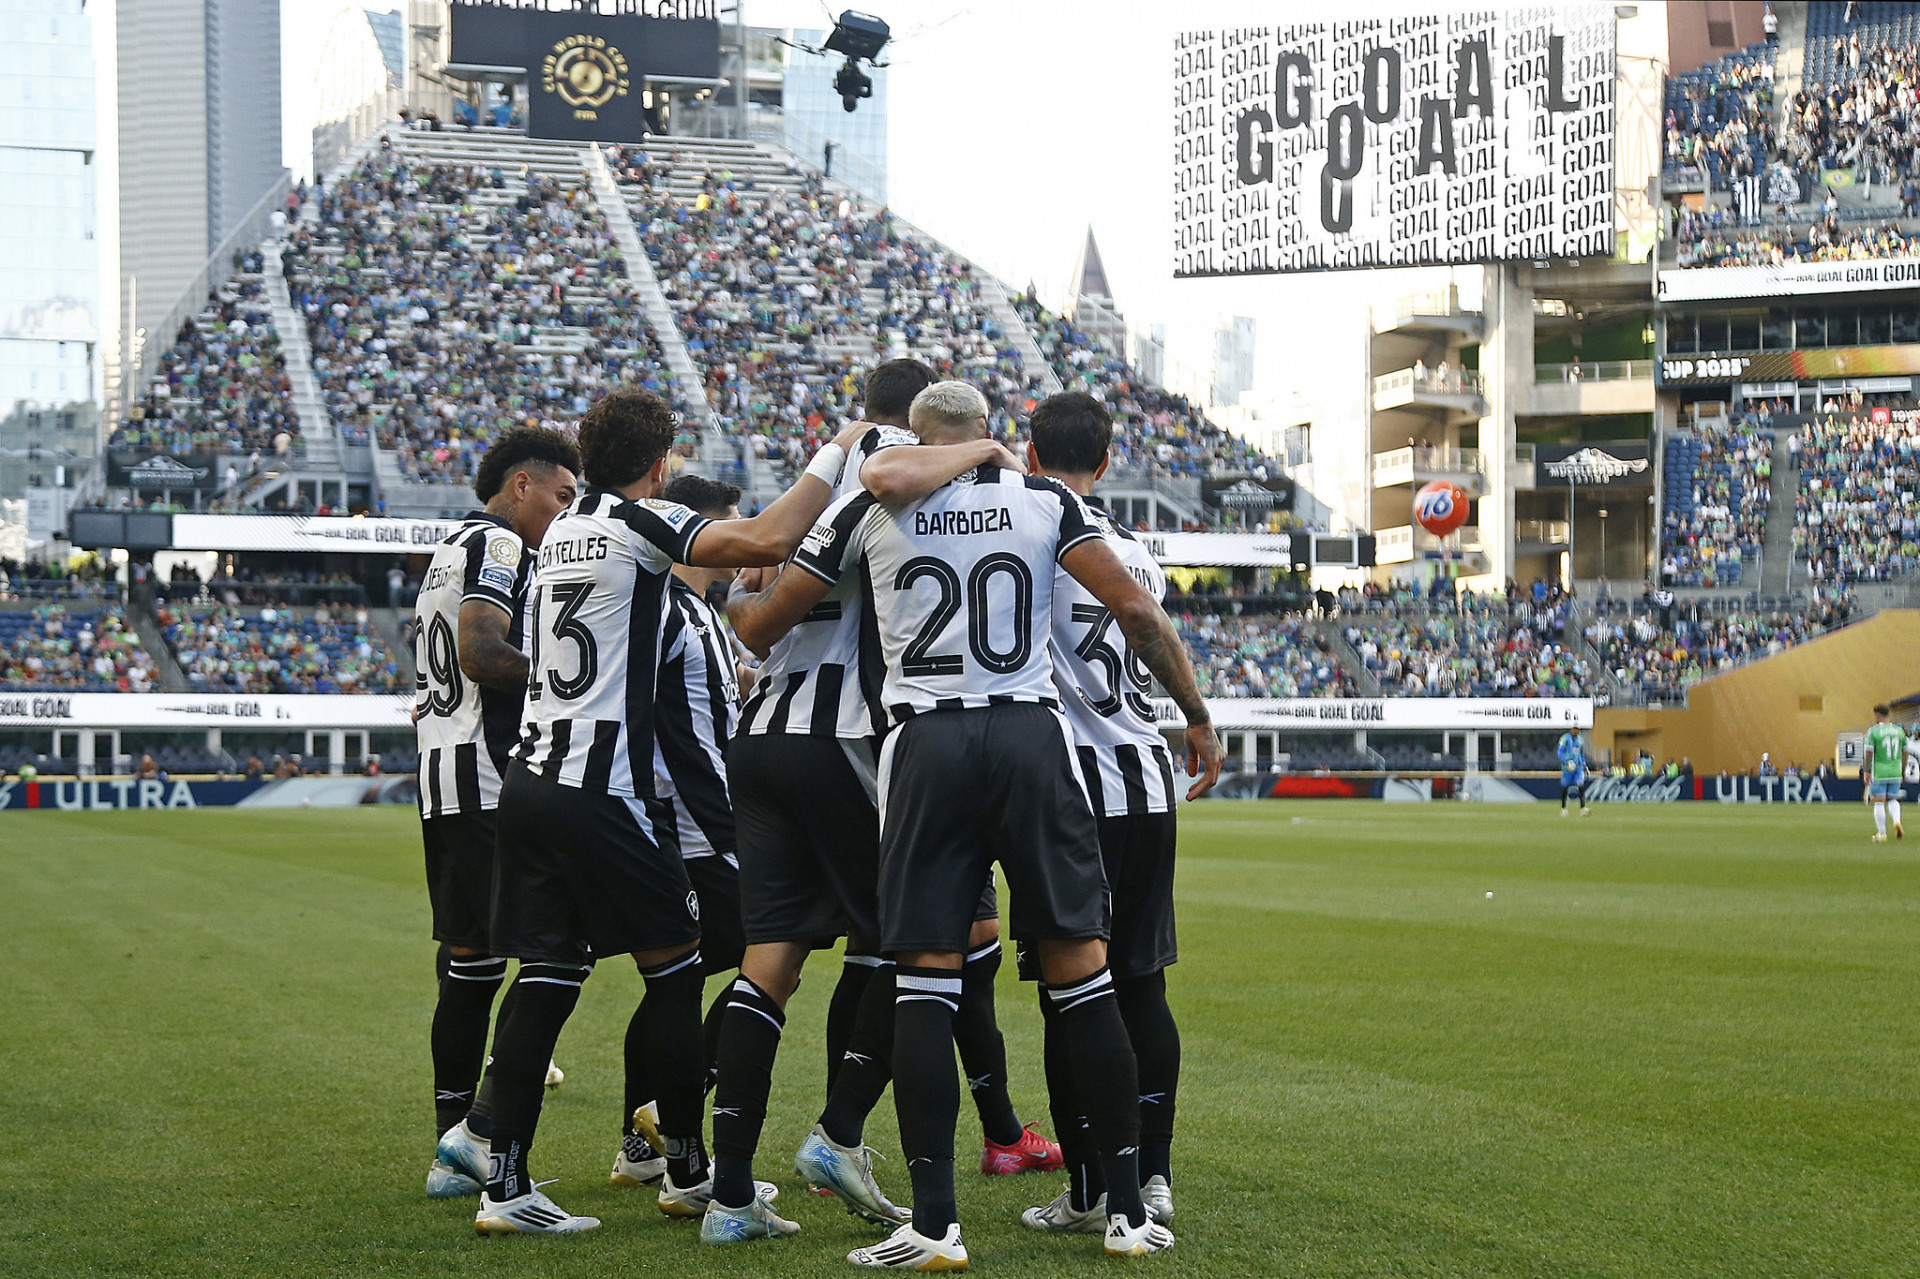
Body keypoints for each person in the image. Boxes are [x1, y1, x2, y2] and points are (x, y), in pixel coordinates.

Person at [747, 381, 1222, 1267]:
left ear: (915, 437)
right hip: (1032, 742)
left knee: (926, 976)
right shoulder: (1042, 497)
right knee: (1087, 971)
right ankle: (1125, 1209)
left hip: (928, 745)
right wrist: (1193, 712)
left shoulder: (869, 504)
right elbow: (1136, 611)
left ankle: (934, 1224)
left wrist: (734, 602)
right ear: (984, 436)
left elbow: (766, 623)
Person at [459, 389, 867, 1237]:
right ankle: (689, 1170)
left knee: (546, 973)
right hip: (597, 788)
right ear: (658, 467)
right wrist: (838, 450)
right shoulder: (633, 522)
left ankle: (503, 1181)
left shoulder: (560, 531)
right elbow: (767, 539)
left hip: (530, 778)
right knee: (678, 971)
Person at [702, 360, 1052, 1247]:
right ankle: (842, 1130)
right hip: (847, 739)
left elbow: (752, 611)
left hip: (764, 736)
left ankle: (730, 1192)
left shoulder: (817, 477)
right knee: (949, 936)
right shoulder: (898, 468)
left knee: (772, 960)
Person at [1018, 392, 1187, 1234]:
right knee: (1143, 985)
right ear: (1110, 459)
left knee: (1069, 992)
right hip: (1148, 778)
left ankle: (1087, 1187)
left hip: (1069, 793)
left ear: (1030, 452)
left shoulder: (1032, 536)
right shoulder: (1137, 555)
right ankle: (1152, 1174)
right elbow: (1145, 626)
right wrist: (1199, 717)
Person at [413, 425, 581, 1200]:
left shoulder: (449, 546)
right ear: (522, 485)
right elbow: (483, 653)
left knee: (471, 964)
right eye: (561, 494)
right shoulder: (502, 549)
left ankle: (455, 1143)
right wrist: (569, 675)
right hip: (487, 774)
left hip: (442, 773)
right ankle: (484, 1132)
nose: (564, 510)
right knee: (560, 947)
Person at [608, 473, 753, 1191]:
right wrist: (734, 828)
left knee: (678, 977)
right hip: (695, 826)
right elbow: (679, 736)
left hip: (694, 822)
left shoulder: (700, 613)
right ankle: (679, 1122)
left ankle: (641, 1142)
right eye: (731, 523)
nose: (738, 536)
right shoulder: (670, 610)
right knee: (769, 953)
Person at [1865, 704, 1907, 843]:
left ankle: (1882, 834)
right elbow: (1905, 752)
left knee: (1879, 802)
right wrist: (1902, 770)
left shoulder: (1874, 731)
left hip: (1880, 772)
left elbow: (1869, 753)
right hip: (1895, 771)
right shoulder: (1899, 730)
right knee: (1893, 799)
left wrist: (1866, 771)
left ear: (1877, 715)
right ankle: (1897, 821)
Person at [1557, 730, 1590, 815]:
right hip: (1567, 767)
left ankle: (1582, 807)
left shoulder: (1580, 740)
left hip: (1578, 767)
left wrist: (1584, 764)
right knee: (1565, 786)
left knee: (1580, 785)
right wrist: (1566, 761)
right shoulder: (1565, 738)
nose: (1575, 731)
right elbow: (1560, 752)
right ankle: (1563, 807)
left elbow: (1581, 753)